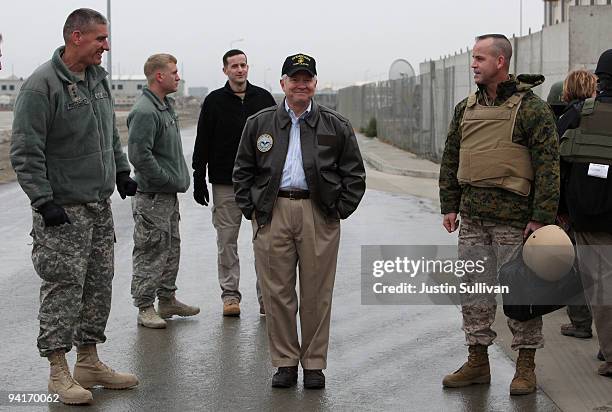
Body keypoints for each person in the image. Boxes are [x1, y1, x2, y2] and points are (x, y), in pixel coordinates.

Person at [10, 8, 138, 405]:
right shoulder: (40, 87)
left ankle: (88, 360)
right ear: (76, 37)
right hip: (63, 210)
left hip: (98, 205)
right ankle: (57, 370)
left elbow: (109, 136)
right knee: (63, 288)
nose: (107, 45)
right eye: (100, 38)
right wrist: (43, 200)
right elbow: (25, 151)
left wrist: (120, 171)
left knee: (98, 286)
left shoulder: (97, 80)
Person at [233, 53, 366, 389]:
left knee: (316, 293)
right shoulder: (260, 123)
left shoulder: (335, 125)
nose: (301, 84)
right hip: (273, 213)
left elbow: (355, 174)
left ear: (315, 84)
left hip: (317, 214)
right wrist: (253, 210)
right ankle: (285, 362)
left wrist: (337, 211)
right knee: (277, 292)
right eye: (295, 78)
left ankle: (314, 364)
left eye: (307, 78)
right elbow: (242, 171)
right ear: (283, 84)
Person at [439, 34, 560, 395]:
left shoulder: (532, 109)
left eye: (480, 58)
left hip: (516, 220)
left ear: (501, 62)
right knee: (474, 292)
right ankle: (478, 362)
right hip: (473, 217)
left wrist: (541, 218)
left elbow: (549, 167)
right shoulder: (465, 109)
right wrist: (449, 203)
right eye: (472, 58)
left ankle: (525, 367)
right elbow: (451, 157)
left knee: (521, 294)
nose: (473, 64)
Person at [192, 49, 276, 317]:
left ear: (248, 68)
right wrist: (199, 176)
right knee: (227, 242)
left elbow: (278, 138)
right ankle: (230, 296)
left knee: (265, 243)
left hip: (260, 183)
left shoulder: (263, 98)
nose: (240, 70)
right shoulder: (214, 101)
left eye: (243, 65)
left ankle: (267, 298)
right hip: (225, 183)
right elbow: (203, 139)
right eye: (234, 66)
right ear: (225, 70)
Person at [128, 53, 199, 329]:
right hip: (153, 196)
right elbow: (140, 156)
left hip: (167, 196)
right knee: (150, 250)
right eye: (174, 72)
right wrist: (167, 179)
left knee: (170, 248)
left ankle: (167, 299)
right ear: (160, 76)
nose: (178, 76)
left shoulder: (164, 106)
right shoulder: (145, 111)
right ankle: (145, 306)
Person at [559, 49, 612, 378]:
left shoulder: (579, 113)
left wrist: (561, 211)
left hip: (590, 218)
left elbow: (556, 164)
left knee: (602, 290)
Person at [551, 71, 598, 340]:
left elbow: (555, 164)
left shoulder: (566, 118)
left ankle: (581, 322)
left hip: (572, 205)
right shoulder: (600, 115)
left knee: (572, 267)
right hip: (600, 203)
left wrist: (557, 209)